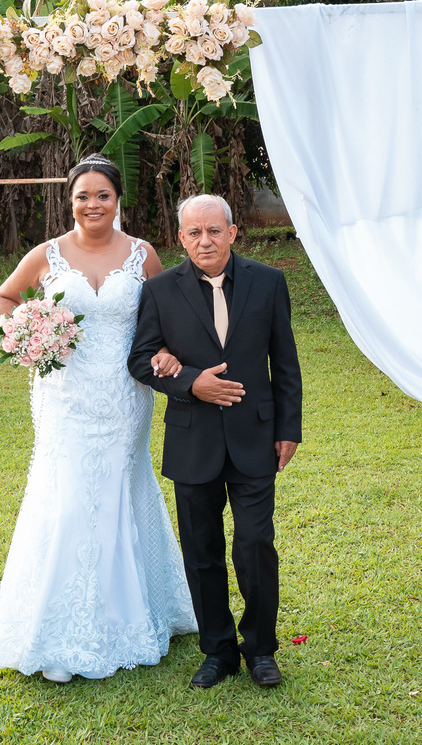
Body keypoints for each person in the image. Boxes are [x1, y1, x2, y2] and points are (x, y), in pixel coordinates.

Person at [0, 154, 196, 683]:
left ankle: (132, 613)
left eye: (102, 195)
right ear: (70, 200)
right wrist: (29, 330)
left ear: (117, 200)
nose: (92, 204)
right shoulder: (47, 253)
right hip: (64, 395)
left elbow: (167, 311)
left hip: (125, 394)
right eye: (82, 195)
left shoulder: (143, 254)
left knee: (121, 488)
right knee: (70, 493)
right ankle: (59, 629)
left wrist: (170, 353)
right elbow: (5, 296)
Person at [128, 194, 303, 689]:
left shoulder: (269, 282)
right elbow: (141, 360)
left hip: (256, 437)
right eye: (193, 233)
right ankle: (218, 650)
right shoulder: (161, 290)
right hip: (193, 440)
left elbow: (284, 362)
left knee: (255, 546)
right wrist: (190, 382)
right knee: (201, 552)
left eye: (213, 230)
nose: (204, 241)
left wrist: (289, 427)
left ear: (232, 231)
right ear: (180, 238)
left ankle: (261, 650)